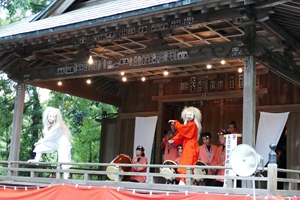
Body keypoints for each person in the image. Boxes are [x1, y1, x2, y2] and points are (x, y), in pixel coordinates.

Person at [27, 107, 72, 179]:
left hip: (62, 142)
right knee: (40, 145)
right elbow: (47, 136)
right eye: (50, 116)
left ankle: (66, 175)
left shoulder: (58, 126)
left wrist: (40, 141)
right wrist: (41, 141)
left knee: (63, 157)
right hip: (53, 141)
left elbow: (50, 137)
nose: (51, 118)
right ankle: (36, 159)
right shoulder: (46, 124)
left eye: (53, 116)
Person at [168, 106, 201, 185]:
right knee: (186, 164)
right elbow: (181, 135)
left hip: (191, 146)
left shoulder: (192, 125)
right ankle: (184, 181)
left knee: (188, 164)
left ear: (194, 115)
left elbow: (183, 130)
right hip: (188, 146)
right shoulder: (189, 125)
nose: (188, 116)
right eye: (187, 115)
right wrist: (174, 140)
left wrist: (176, 122)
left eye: (190, 114)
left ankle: (183, 181)